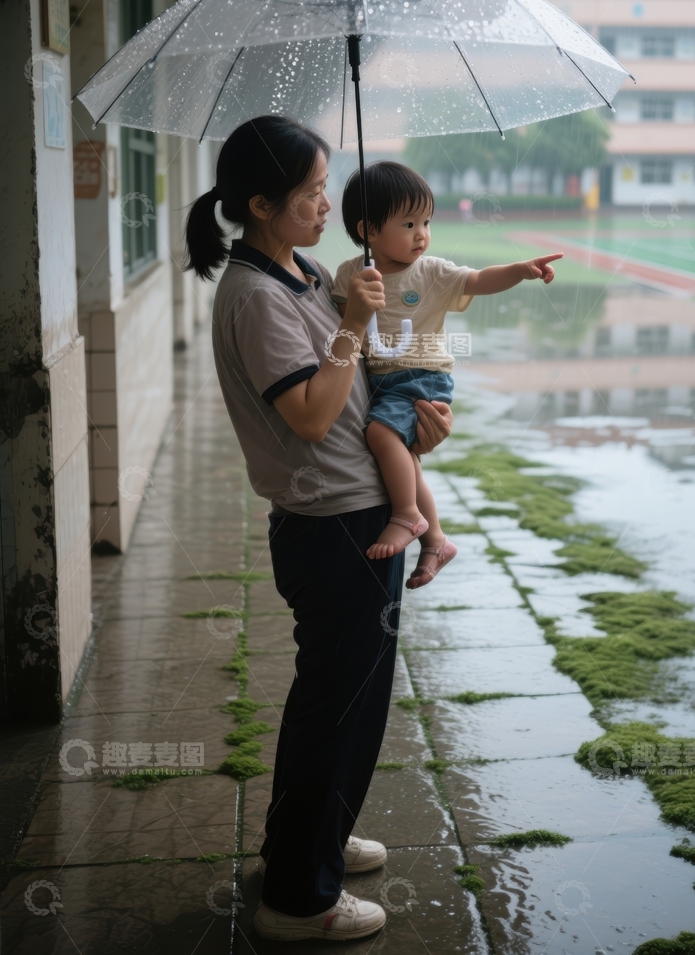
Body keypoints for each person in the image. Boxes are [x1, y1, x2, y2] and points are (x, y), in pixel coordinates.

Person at [184, 118, 452, 942]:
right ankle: (300, 899)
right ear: (260, 204)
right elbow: (308, 415)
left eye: (325, 184)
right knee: (336, 712)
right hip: (333, 525)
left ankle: (315, 841)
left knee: (352, 703)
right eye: (309, 193)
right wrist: (350, 326)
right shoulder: (256, 294)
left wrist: (412, 424)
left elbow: (359, 389)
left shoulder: (296, 267)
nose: (325, 203)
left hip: (358, 507)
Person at [333, 162, 562, 589]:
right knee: (404, 454)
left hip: (422, 376)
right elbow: (341, 327)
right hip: (381, 379)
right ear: (368, 231)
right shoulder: (351, 276)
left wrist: (519, 269)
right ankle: (436, 541)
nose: (422, 233)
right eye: (409, 223)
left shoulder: (432, 272)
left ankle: (407, 516)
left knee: (382, 436)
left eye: (426, 221)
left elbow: (477, 279)